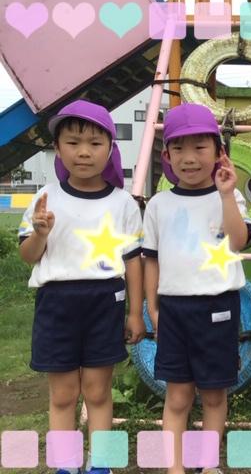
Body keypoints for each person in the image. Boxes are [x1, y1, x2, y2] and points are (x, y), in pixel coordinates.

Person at [18, 100, 145, 474]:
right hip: (56, 304)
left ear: (110, 148)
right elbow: (28, 256)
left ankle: (101, 464)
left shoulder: (123, 203)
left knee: (98, 390)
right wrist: (40, 233)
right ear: (58, 148)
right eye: (73, 142)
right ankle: (66, 465)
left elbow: (133, 262)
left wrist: (135, 312)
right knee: (63, 394)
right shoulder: (45, 198)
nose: (84, 152)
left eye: (94, 143)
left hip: (105, 302)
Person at [143, 103, 251, 474]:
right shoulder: (158, 204)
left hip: (218, 308)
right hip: (174, 311)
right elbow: (151, 259)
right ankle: (174, 467)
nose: (189, 158)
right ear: (166, 156)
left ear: (219, 151)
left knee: (214, 393)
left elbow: (238, 241)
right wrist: (152, 308)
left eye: (199, 147)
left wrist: (226, 194)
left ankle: (208, 465)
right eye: (178, 148)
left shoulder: (231, 197)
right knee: (177, 395)